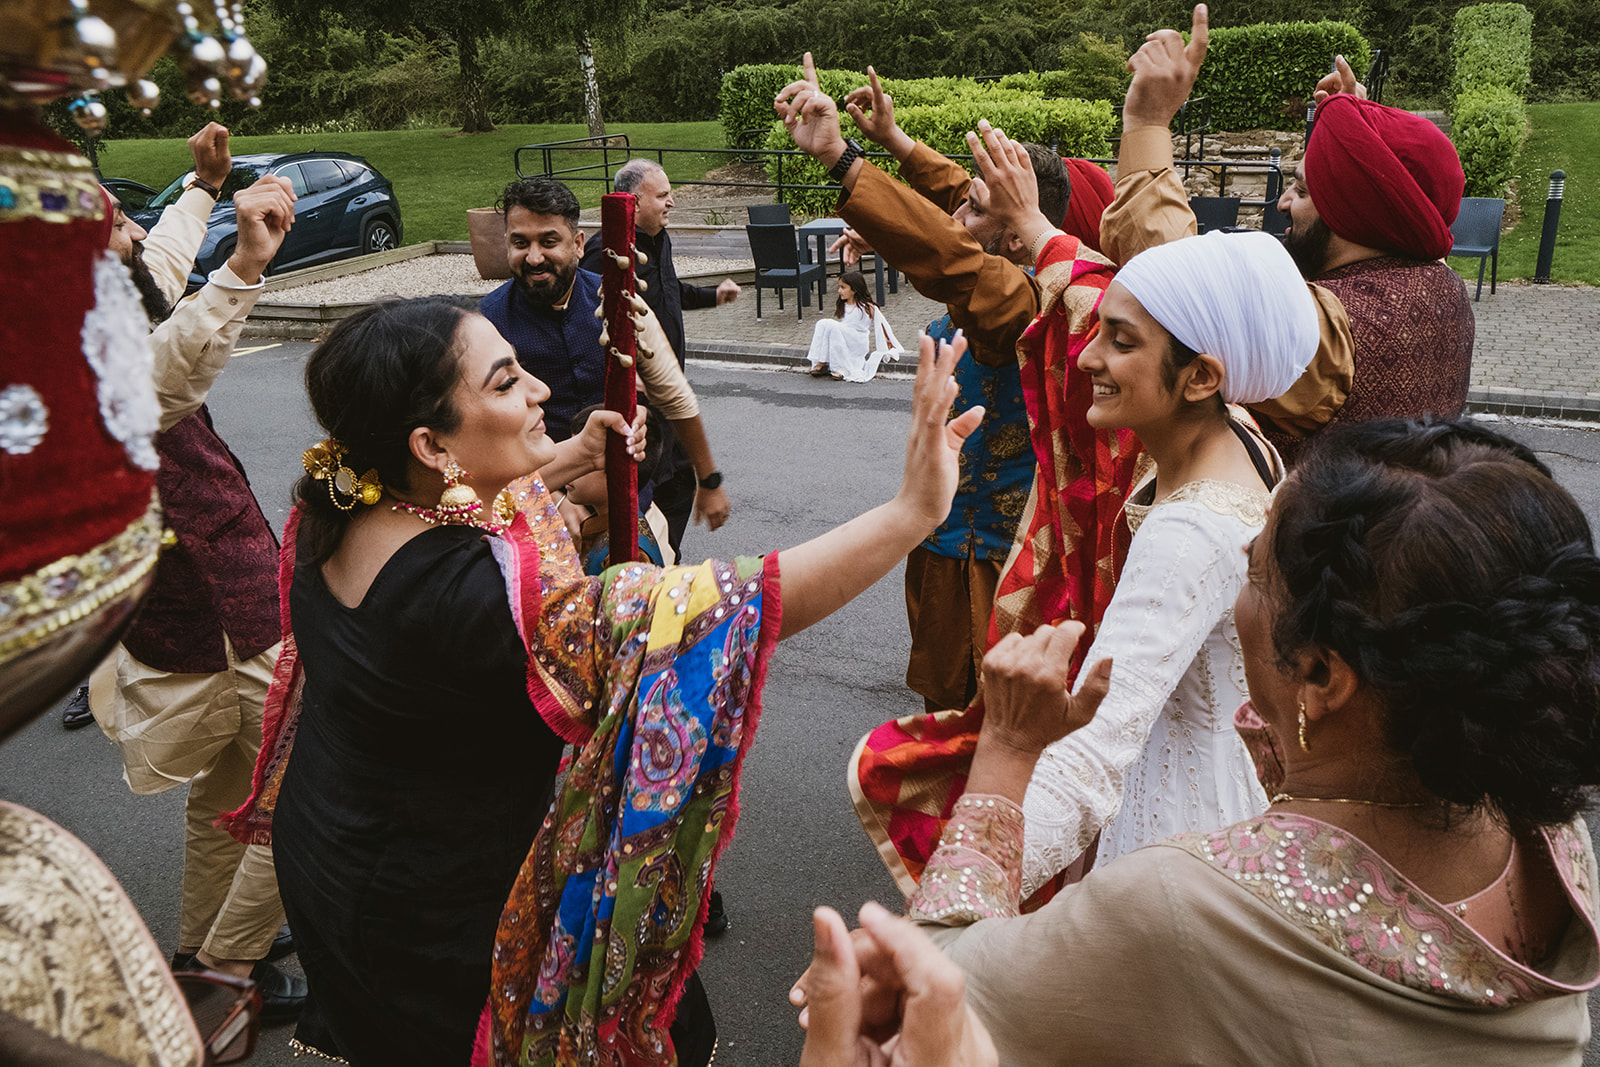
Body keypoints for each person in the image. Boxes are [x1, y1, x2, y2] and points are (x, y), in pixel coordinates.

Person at [220, 299, 982, 1065]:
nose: (540, 391)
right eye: (507, 381)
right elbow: (721, 608)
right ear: (431, 441)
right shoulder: (477, 603)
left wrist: (570, 453)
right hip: (435, 904)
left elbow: (470, 491)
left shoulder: (340, 503)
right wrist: (913, 510)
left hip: (337, 849)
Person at [802, 417, 1600, 1065]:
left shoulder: (1184, 909)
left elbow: (939, 990)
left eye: (1253, 578)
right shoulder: (1541, 823)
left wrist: (1009, 749)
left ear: (1321, 673)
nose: (1240, 603)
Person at [80, 121, 307, 1016]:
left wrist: (202, 189)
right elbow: (158, 383)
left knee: (232, 786)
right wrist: (245, 268)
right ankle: (223, 973)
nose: (128, 229)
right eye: (108, 223)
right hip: (211, 606)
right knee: (312, 782)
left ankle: (195, 947)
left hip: (221, 598)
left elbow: (158, 271)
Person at [1102, 6, 1470, 465]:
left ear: (1351, 212)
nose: (1282, 203)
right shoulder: (1443, 284)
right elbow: (1393, 189)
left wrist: (1147, 123)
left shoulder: (1335, 332)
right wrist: (1348, 129)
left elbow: (1180, 285)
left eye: (1300, 189)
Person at [481, 177, 732, 544]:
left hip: (634, 509)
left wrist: (709, 481)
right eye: (520, 243)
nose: (534, 257)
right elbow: (487, 440)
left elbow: (676, 397)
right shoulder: (485, 325)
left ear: (579, 244)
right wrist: (552, 499)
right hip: (532, 522)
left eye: (549, 241)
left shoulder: (622, 301)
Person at [580, 159, 739, 557]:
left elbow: (670, 291)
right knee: (654, 487)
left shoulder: (658, 238)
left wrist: (712, 297)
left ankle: (667, 555)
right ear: (632, 202)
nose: (671, 203)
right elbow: (592, 318)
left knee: (682, 481)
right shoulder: (608, 251)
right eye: (663, 195)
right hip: (639, 402)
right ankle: (651, 562)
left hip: (670, 395)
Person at [804, 270, 902, 381]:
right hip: (845, 336)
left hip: (858, 340)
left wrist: (887, 340)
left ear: (854, 290)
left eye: (843, 287)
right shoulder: (844, 304)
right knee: (822, 323)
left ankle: (842, 368)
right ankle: (821, 361)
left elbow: (881, 324)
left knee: (832, 326)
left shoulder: (867, 306)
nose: (839, 290)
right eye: (839, 287)